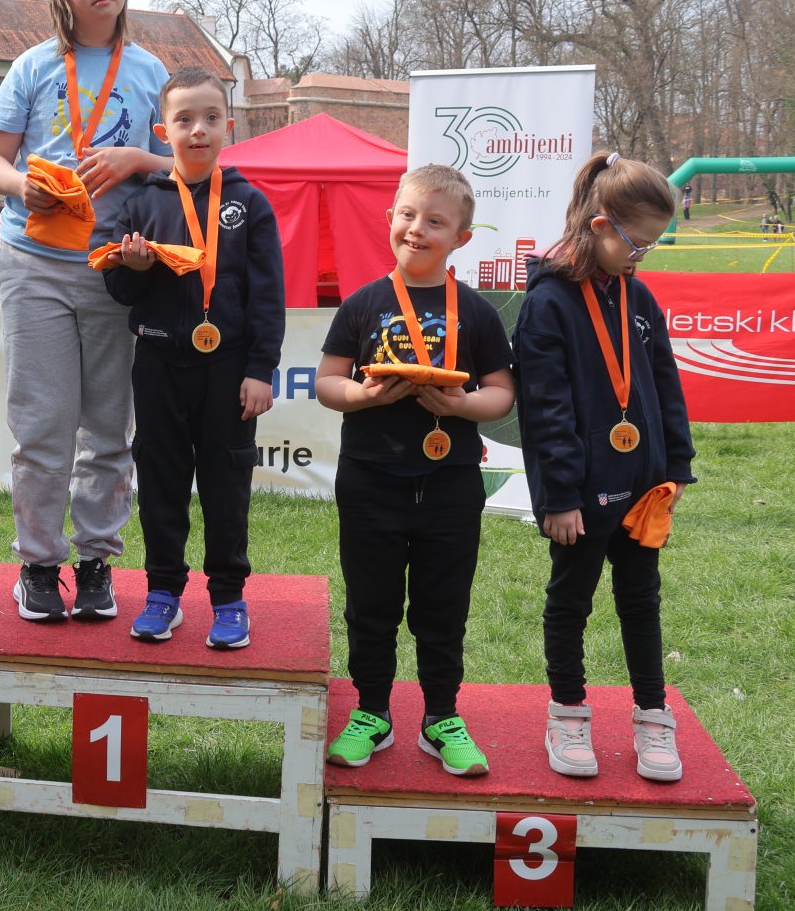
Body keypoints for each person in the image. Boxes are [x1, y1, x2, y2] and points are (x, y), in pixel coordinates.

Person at [0, 0, 173, 621]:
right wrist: (19, 185)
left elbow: (190, 163)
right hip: (33, 262)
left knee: (109, 426)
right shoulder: (33, 66)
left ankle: (96, 562)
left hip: (114, 269)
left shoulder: (151, 71)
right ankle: (38, 565)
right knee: (42, 424)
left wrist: (138, 159)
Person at [315, 164, 515, 777]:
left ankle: (441, 718)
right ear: (389, 219)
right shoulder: (363, 303)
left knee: (442, 607)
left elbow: (501, 393)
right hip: (370, 479)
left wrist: (462, 406)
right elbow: (327, 382)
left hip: (451, 482)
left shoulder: (476, 311)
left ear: (461, 237)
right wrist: (363, 395)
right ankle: (371, 712)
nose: (417, 229)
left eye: (435, 221)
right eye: (407, 215)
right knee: (370, 605)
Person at [514, 151, 695, 783]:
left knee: (641, 599)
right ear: (600, 227)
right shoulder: (548, 303)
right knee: (571, 600)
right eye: (637, 243)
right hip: (582, 496)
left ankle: (652, 716)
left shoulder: (637, 297)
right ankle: (567, 712)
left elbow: (665, 385)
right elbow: (545, 408)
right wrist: (560, 496)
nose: (643, 255)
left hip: (643, 486)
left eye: (652, 245)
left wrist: (676, 466)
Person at [101, 68, 284, 648]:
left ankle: (229, 598)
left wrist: (261, 369)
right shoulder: (141, 205)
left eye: (210, 118)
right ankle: (163, 593)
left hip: (228, 366)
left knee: (227, 485)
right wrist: (133, 270)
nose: (198, 129)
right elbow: (120, 291)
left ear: (229, 127)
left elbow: (267, 295)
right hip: (158, 361)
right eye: (184, 119)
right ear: (164, 132)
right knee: (161, 480)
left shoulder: (249, 204)